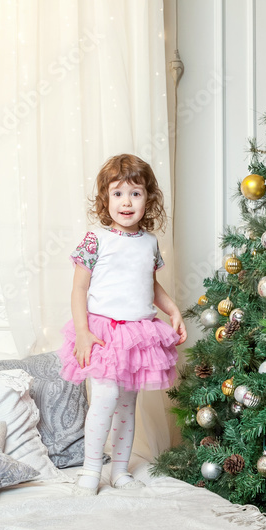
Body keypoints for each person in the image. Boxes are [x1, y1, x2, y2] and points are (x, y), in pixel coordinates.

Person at [58, 154, 187, 495]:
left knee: (129, 403)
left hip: (138, 334)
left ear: (149, 199)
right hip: (102, 333)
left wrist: (172, 310)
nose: (126, 202)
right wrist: (83, 332)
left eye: (135, 194)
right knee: (105, 397)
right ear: (105, 199)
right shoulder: (95, 239)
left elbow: (150, 284)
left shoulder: (149, 242)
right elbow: (79, 288)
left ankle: (119, 470)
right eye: (117, 194)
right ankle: (90, 470)